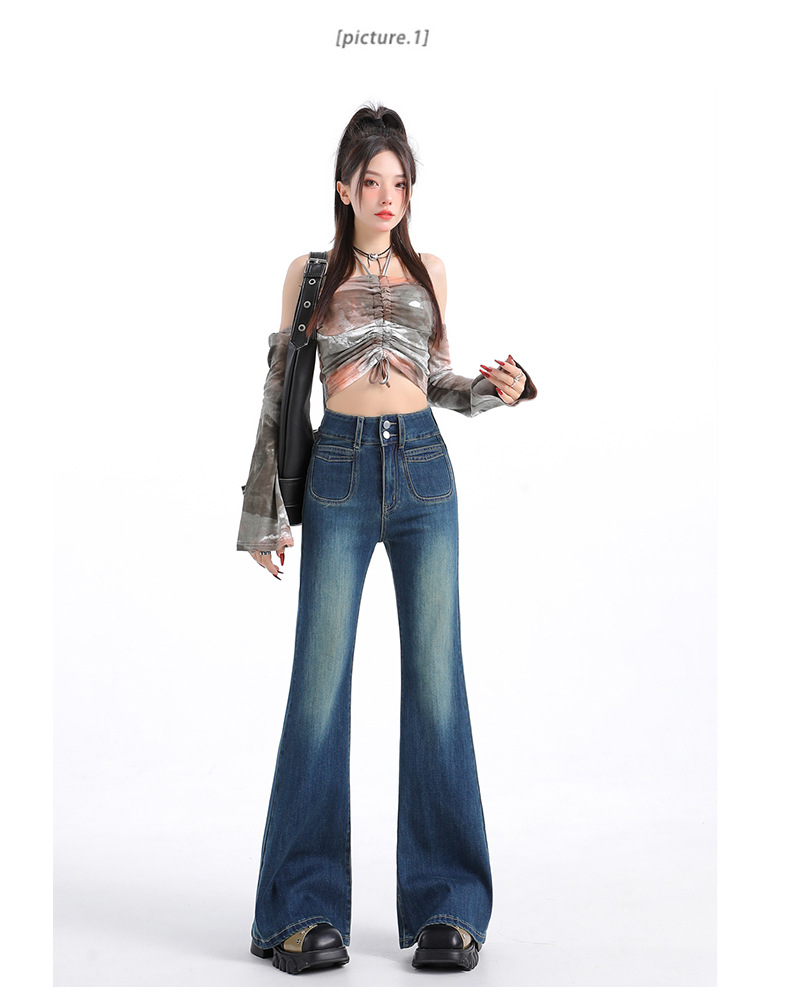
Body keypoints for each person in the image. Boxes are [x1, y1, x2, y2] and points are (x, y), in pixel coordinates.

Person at [237, 104, 537, 975]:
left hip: (424, 474)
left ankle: (450, 905)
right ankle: (299, 910)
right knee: (318, 686)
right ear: (344, 187)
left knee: (437, 683)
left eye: (399, 181)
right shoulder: (309, 275)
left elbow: (437, 379)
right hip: (336, 472)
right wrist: (264, 513)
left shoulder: (429, 271)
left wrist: (502, 391)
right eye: (371, 180)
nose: (386, 195)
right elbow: (281, 395)